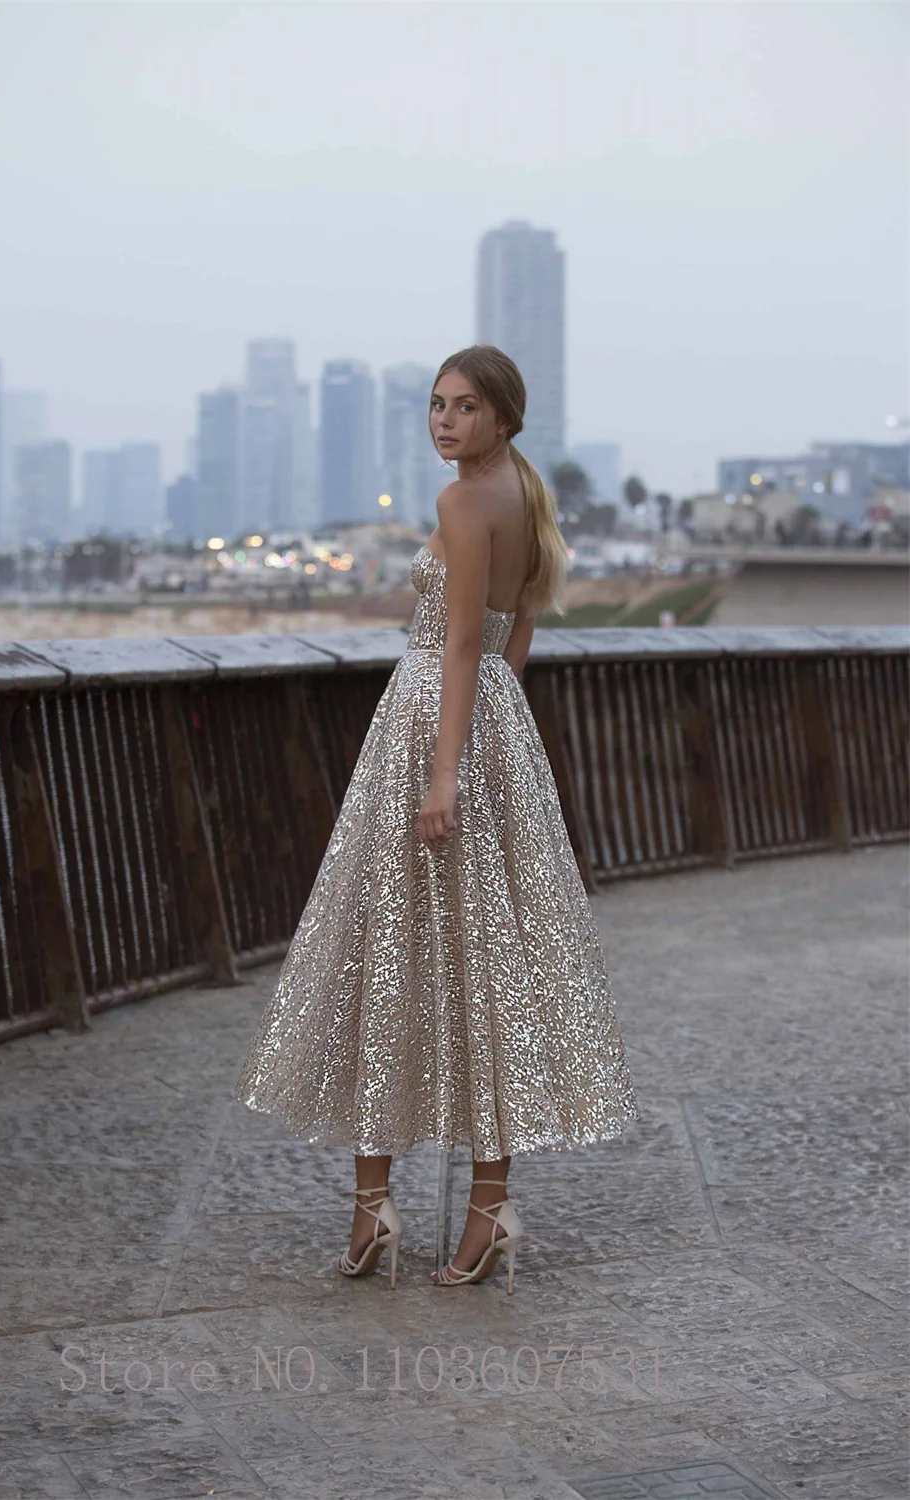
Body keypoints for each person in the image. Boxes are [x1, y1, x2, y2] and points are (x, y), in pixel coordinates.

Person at [233, 345, 640, 1292]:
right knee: (484, 966)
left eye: (464, 407)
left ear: (503, 417)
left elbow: (459, 641)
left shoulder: (464, 503)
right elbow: (514, 634)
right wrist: (491, 739)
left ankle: (375, 1206)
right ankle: (485, 1208)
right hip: (494, 725)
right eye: (434, 405)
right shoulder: (525, 499)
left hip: (432, 731)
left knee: (392, 953)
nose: (443, 422)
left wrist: (445, 770)